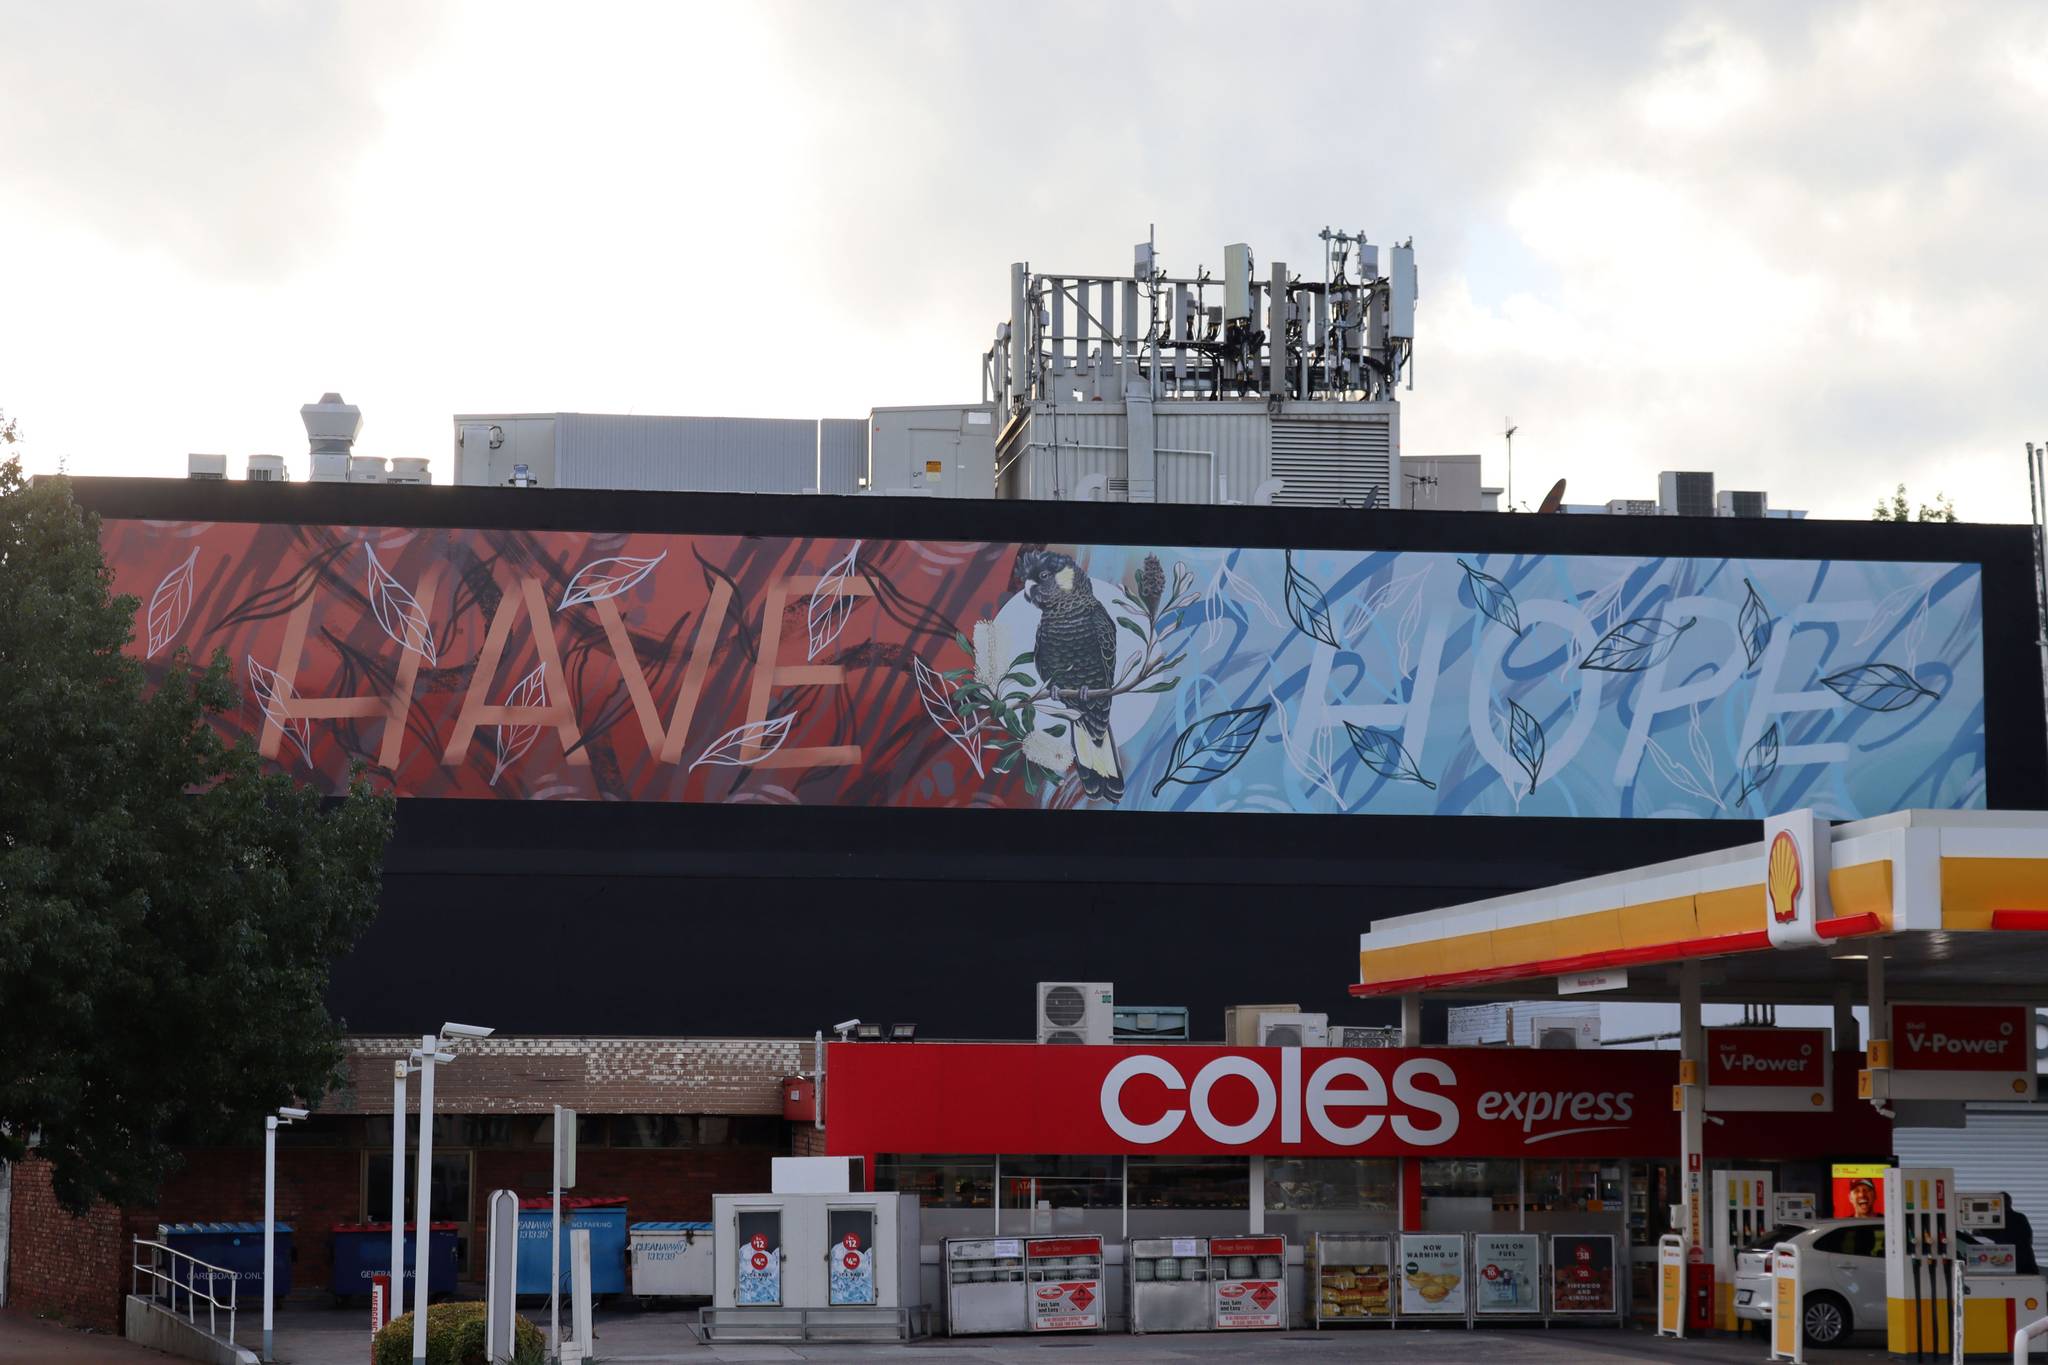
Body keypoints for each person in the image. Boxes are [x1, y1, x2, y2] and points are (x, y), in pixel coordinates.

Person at [2002, 1194, 2038, 1276]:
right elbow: (2029, 1239)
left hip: (2007, 1264)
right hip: (2027, 1264)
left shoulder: (1997, 1221)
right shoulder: (2020, 1217)